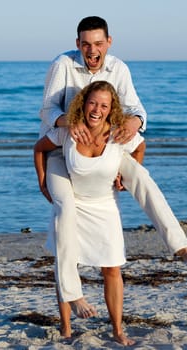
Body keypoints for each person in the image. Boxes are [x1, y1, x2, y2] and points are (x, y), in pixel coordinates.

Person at [39, 16, 187, 323]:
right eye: (86, 44)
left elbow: (137, 110)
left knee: (142, 177)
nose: (92, 51)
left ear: (109, 43)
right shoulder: (62, 64)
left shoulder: (119, 69)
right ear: (77, 44)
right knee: (64, 212)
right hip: (65, 152)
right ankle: (73, 296)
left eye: (99, 44)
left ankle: (181, 246)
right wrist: (69, 122)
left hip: (107, 149)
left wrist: (134, 122)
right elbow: (47, 110)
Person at [35, 81, 146, 346]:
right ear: (83, 103)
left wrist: (128, 175)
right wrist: (43, 183)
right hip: (72, 202)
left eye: (104, 105)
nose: (97, 109)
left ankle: (118, 330)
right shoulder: (70, 131)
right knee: (66, 261)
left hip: (105, 205)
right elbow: (40, 148)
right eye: (92, 103)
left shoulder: (119, 134)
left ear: (111, 109)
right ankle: (66, 328)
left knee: (112, 268)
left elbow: (140, 147)